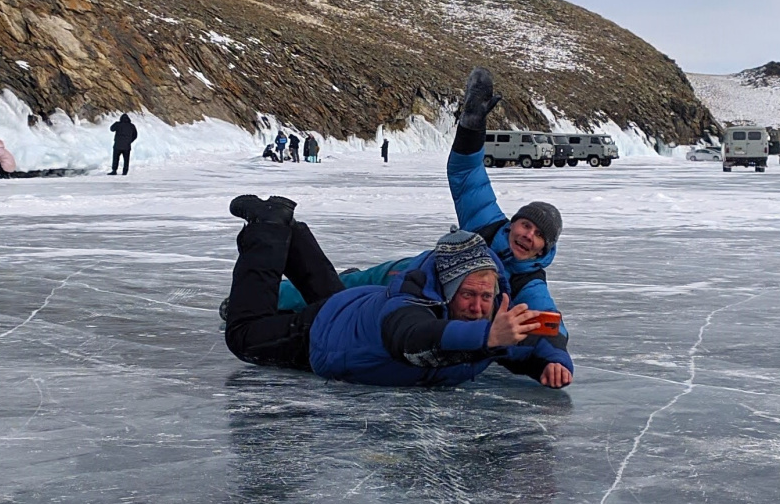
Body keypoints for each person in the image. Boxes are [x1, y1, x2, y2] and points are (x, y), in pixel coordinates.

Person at [276, 68, 572, 365]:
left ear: (544, 251)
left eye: (538, 236)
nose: (527, 235)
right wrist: (471, 127)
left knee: (343, 306)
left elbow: (550, 324)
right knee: (346, 287)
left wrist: (556, 358)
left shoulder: (529, 285)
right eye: (526, 224)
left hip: (421, 307)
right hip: (407, 274)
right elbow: (467, 174)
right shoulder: (489, 223)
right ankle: (272, 298)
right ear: (514, 223)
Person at [222, 196, 570, 388]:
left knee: (329, 291)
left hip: (352, 309)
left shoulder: (491, 315)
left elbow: (535, 335)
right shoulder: (413, 307)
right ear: (447, 293)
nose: (478, 307)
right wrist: (487, 336)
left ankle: (289, 228)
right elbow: (414, 338)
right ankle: (267, 226)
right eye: (467, 296)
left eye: (485, 297)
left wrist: (553, 362)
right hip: (321, 334)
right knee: (243, 336)